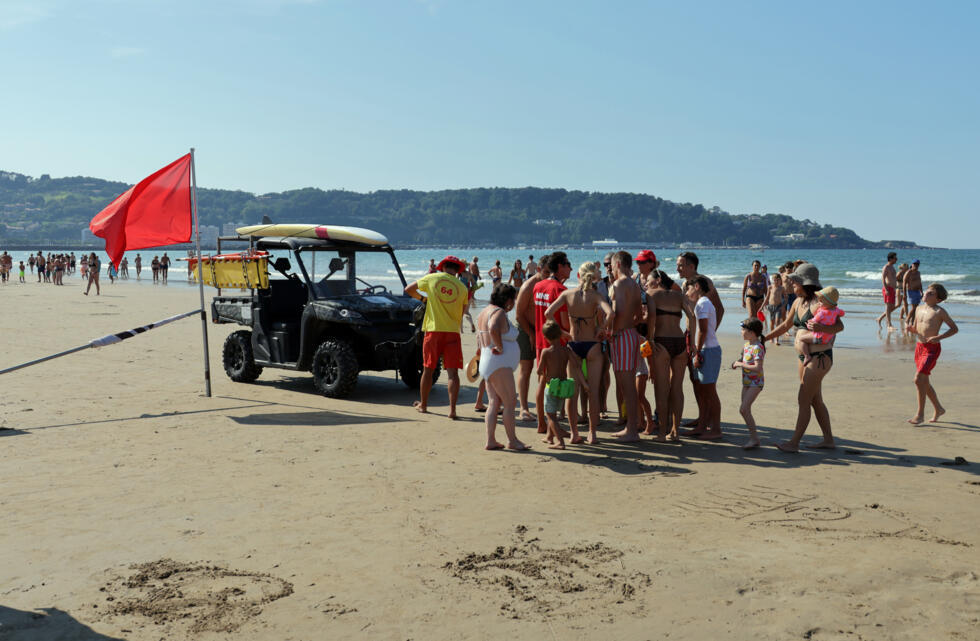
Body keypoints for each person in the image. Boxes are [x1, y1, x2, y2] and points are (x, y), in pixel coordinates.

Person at [765, 263, 843, 452]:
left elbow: (839, 326)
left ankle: (794, 443)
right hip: (805, 358)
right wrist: (763, 338)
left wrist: (822, 328)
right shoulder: (799, 302)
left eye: (795, 283)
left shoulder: (820, 305)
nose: (792, 286)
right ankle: (828, 440)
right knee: (815, 400)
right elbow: (785, 325)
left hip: (819, 358)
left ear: (805, 284)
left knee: (803, 399)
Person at [545, 262, 612, 444]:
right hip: (592, 345)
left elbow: (548, 313)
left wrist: (562, 334)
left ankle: (574, 433)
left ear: (578, 276)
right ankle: (592, 433)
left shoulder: (568, 294)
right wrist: (601, 329)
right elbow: (610, 313)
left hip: (574, 344)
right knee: (593, 390)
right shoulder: (596, 296)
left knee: (571, 393)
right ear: (594, 277)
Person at [404, 255, 469, 419]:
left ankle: (424, 405)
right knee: (453, 374)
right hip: (452, 332)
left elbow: (408, 289)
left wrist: (424, 298)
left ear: (443, 266)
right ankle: (452, 410)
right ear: (457, 270)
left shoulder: (432, 278)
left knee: (428, 370)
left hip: (433, 330)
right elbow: (462, 313)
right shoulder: (462, 288)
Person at [476, 283, 528, 450]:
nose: (514, 303)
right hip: (499, 365)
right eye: (513, 299)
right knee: (510, 402)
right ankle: (512, 440)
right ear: (507, 300)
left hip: (489, 362)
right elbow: (493, 328)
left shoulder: (484, 311)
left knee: (493, 402)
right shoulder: (498, 312)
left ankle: (490, 440)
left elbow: (481, 336)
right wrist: (499, 347)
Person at [676, 252, 724, 430]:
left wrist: (709, 332)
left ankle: (709, 420)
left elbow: (719, 308)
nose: (678, 268)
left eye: (681, 265)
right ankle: (702, 416)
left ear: (691, 266)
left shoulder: (704, 283)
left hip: (701, 338)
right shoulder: (685, 285)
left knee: (705, 382)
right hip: (689, 334)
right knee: (694, 378)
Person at [646, 270, 692, 442]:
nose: (647, 284)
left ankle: (661, 434)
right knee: (677, 388)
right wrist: (692, 342)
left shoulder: (651, 294)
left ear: (658, 281)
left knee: (662, 389)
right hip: (680, 341)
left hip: (661, 341)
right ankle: (675, 432)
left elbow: (651, 317)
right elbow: (692, 316)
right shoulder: (678, 295)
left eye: (649, 281)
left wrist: (650, 339)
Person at [907, 283, 957, 425]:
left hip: (932, 349)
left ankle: (920, 414)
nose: (926, 294)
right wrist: (912, 330)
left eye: (931, 294)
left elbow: (954, 329)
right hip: (919, 347)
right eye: (926, 292)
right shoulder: (918, 309)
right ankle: (939, 409)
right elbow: (917, 328)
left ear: (938, 299)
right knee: (924, 381)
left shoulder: (939, 311)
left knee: (918, 379)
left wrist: (938, 337)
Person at [533, 253, 572, 432]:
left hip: (542, 338)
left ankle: (544, 423)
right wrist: (570, 333)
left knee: (543, 381)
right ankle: (550, 425)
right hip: (555, 341)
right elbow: (564, 322)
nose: (570, 268)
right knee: (556, 382)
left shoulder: (538, 286)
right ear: (559, 267)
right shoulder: (559, 290)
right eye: (567, 264)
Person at [608, 251, 644, 442]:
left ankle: (632, 429)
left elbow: (616, 312)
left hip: (621, 335)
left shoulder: (619, 284)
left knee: (626, 385)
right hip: (632, 334)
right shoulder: (635, 285)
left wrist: (611, 331)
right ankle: (632, 426)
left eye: (613, 266)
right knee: (628, 384)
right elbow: (639, 314)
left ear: (619, 264)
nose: (612, 270)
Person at [538, 320, 589, 449]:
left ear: (545, 338)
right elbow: (577, 367)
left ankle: (560, 442)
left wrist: (542, 374)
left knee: (550, 416)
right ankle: (550, 436)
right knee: (554, 413)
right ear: (561, 335)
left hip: (552, 386)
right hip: (563, 387)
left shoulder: (546, 352)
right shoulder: (566, 350)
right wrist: (584, 383)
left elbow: (540, 370)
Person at [685, 276, 723, 440]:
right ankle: (702, 425)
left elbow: (703, 330)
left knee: (710, 391)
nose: (687, 292)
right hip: (709, 349)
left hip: (708, 350)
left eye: (689, 288)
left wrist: (697, 351)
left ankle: (716, 429)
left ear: (697, 286)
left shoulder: (702, 303)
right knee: (705, 389)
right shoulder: (705, 303)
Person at [514, 255, 550, 424]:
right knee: (526, 369)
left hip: (545, 331)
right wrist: (530, 333)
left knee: (544, 371)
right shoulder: (528, 286)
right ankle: (524, 408)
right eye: (545, 272)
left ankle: (544, 409)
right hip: (526, 329)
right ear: (537, 270)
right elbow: (519, 314)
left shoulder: (550, 284)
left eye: (551, 273)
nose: (548, 276)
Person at [731, 318, 766, 450]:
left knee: (743, 409)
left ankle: (754, 438)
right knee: (745, 411)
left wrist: (740, 364)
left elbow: (757, 368)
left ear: (751, 332)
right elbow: (744, 359)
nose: (741, 332)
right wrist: (737, 362)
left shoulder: (758, 347)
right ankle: (754, 438)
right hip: (746, 382)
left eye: (743, 330)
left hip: (756, 383)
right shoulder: (747, 346)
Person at [794, 287, 845, 366]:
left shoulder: (822, 313)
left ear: (828, 302)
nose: (819, 301)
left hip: (819, 338)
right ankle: (831, 344)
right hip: (829, 337)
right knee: (834, 334)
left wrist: (808, 323)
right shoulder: (836, 310)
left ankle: (807, 356)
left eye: (821, 300)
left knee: (801, 339)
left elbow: (813, 321)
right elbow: (842, 313)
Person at [876, 252, 899, 330]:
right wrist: (886, 289)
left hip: (892, 289)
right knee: (888, 306)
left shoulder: (892, 267)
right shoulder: (886, 267)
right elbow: (883, 278)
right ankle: (889, 325)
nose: (896, 259)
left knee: (892, 306)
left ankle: (880, 318)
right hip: (888, 288)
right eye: (895, 258)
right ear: (891, 259)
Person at [765, 273, 785, 344]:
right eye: (774, 280)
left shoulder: (782, 288)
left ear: (780, 280)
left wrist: (783, 306)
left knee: (777, 322)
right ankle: (772, 337)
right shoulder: (770, 287)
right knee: (772, 323)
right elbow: (767, 297)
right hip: (771, 307)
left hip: (778, 307)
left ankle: (777, 339)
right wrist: (762, 306)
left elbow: (786, 298)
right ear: (772, 280)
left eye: (778, 280)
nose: (776, 281)